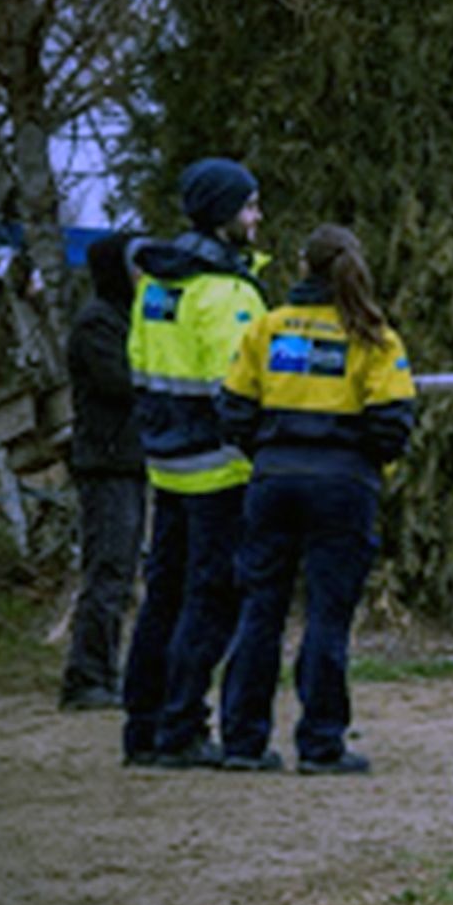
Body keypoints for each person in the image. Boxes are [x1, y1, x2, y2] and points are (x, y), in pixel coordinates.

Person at [216, 223, 416, 774]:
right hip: (343, 489)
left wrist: (272, 452)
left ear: (302, 268)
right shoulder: (375, 338)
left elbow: (232, 411)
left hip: (273, 482)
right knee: (328, 615)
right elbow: (392, 424)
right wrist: (358, 462)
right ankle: (322, 744)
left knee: (261, 611)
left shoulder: (266, 328)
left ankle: (242, 742)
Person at [122, 158, 268, 769]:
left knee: (162, 598)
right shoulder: (226, 293)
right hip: (220, 471)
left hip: (166, 464)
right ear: (223, 213)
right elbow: (243, 391)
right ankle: (183, 726)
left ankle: (144, 727)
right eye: (250, 205)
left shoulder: (157, 284)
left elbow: (140, 370)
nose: (258, 218)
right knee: (211, 602)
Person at [60, 232, 146, 711]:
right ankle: (87, 676)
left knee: (119, 570)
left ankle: (101, 672)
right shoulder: (98, 324)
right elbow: (120, 383)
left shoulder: (120, 320)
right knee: (107, 571)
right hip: (107, 464)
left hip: (127, 461)